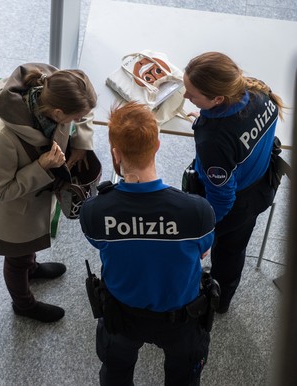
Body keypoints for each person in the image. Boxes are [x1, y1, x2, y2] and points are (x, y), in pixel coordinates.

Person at [80, 102, 215, 385]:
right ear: (157, 145)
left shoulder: (95, 212)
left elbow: (99, 243)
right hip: (181, 319)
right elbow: (203, 250)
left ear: (115, 154)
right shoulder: (197, 212)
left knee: (116, 374)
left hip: (122, 315)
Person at [0, 63, 98, 323]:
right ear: (58, 113)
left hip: (35, 207)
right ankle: (23, 305)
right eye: (71, 120)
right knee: (16, 260)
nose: (75, 123)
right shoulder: (1, 137)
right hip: (14, 215)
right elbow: (1, 191)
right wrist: (42, 166)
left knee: (25, 255)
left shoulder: (56, 88)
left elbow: (85, 113)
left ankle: (32, 268)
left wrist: (81, 143)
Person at [183, 51, 285, 314]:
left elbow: (221, 198)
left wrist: (206, 229)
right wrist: (204, 119)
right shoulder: (259, 94)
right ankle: (224, 299)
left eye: (192, 94)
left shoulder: (212, 140)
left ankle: (215, 301)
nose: (185, 96)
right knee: (236, 250)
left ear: (218, 99)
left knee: (225, 253)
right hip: (264, 182)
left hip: (236, 205)